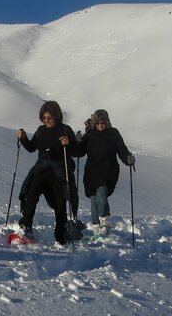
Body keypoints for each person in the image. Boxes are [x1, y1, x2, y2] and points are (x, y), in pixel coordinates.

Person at [16, 100, 82, 245]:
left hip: (59, 173)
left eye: (49, 118)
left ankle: (61, 235)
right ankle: (25, 227)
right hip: (41, 170)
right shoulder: (41, 130)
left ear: (57, 117)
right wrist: (23, 138)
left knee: (59, 205)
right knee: (30, 195)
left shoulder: (65, 130)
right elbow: (32, 147)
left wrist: (69, 143)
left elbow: (77, 152)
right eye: (44, 118)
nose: (46, 121)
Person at [79, 109, 134, 235]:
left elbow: (122, 150)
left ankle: (105, 224)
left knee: (101, 195)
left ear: (107, 122)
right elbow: (80, 151)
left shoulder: (113, 134)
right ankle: (96, 228)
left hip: (108, 171)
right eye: (97, 123)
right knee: (93, 200)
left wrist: (128, 159)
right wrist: (77, 142)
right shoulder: (89, 135)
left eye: (102, 122)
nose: (100, 125)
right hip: (91, 172)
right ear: (94, 123)